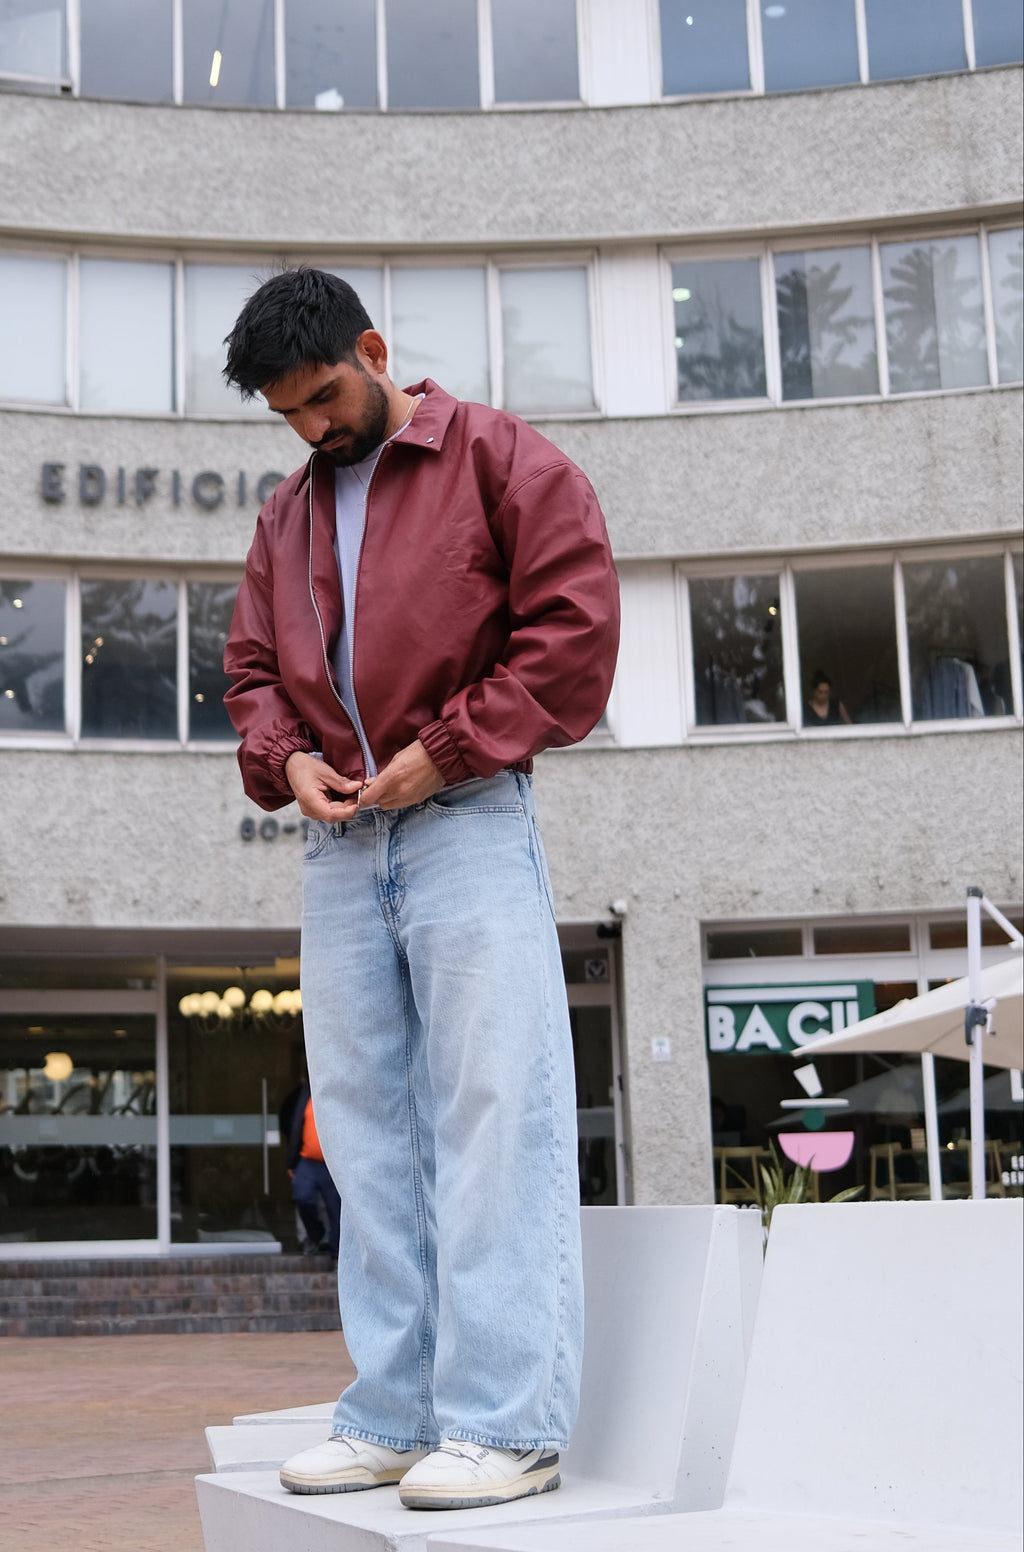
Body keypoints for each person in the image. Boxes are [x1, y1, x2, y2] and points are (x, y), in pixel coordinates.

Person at [220, 268, 619, 1512]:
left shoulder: (501, 457)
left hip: (466, 821)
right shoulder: (285, 516)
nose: (312, 430)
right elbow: (246, 672)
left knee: (497, 1111)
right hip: (340, 849)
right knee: (369, 1136)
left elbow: (574, 635)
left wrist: (442, 749)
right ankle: (394, 1411)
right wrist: (284, 758)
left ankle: (509, 1424)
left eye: (325, 398)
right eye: (287, 414)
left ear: (375, 349)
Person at [279, 1077, 341, 1259]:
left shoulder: (337, 1093)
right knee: (301, 1196)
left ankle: (336, 1252)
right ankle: (317, 1235)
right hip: (307, 1161)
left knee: (335, 1209)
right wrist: (292, 1162)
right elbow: (295, 1127)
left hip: (331, 1164)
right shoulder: (306, 1094)